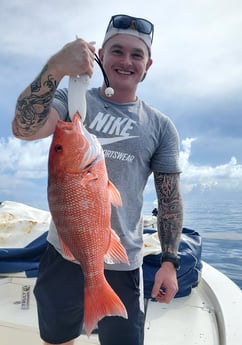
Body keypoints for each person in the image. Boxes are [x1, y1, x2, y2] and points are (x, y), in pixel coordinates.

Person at [12, 14, 183, 345]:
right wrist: (56, 67)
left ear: (147, 66)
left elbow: (170, 199)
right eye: (117, 51)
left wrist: (169, 262)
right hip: (63, 253)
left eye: (137, 55)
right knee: (58, 339)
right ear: (100, 56)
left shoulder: (160, 127)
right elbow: (24, 127)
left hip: (123, 260)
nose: (126, 61)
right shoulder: (72, 101)